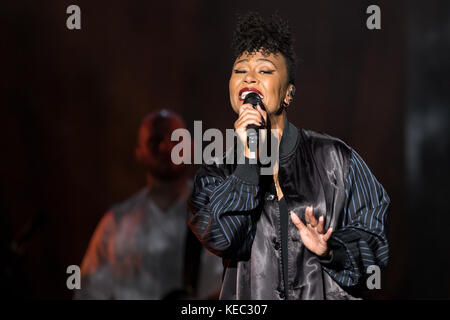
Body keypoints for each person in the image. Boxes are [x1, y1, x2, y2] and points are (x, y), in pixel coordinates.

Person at [187, 12, 390, 300]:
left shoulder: (336, 158)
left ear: (288, 93)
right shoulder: (216, 172)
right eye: (240, 70)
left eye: (265, 71)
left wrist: (332, 251)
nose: (250, 78)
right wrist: (248, 160)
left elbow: (375, 245)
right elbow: (220, 237)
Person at [76, 110, 222, 300]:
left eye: (175, 139)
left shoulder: (221, 215)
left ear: (191, 147)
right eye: (154, 141)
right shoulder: (115, 224)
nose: (165, 147)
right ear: (139, 153)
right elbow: (88, 293)